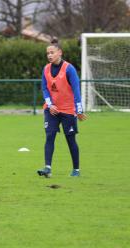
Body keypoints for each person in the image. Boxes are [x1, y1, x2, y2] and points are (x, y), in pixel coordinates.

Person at [37, 38, 87, 178]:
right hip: (51, 109)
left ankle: (76, 169)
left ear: (60, 52)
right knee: (49, 136)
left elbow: (76, 90)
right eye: (48, 53)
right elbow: (44, 88)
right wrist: (50, 104)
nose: (49, 55)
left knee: (70, 139)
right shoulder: (46, 68)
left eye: (52, 52)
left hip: (68, 110)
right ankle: (47, 168)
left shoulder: (69, 69)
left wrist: (79, 109)